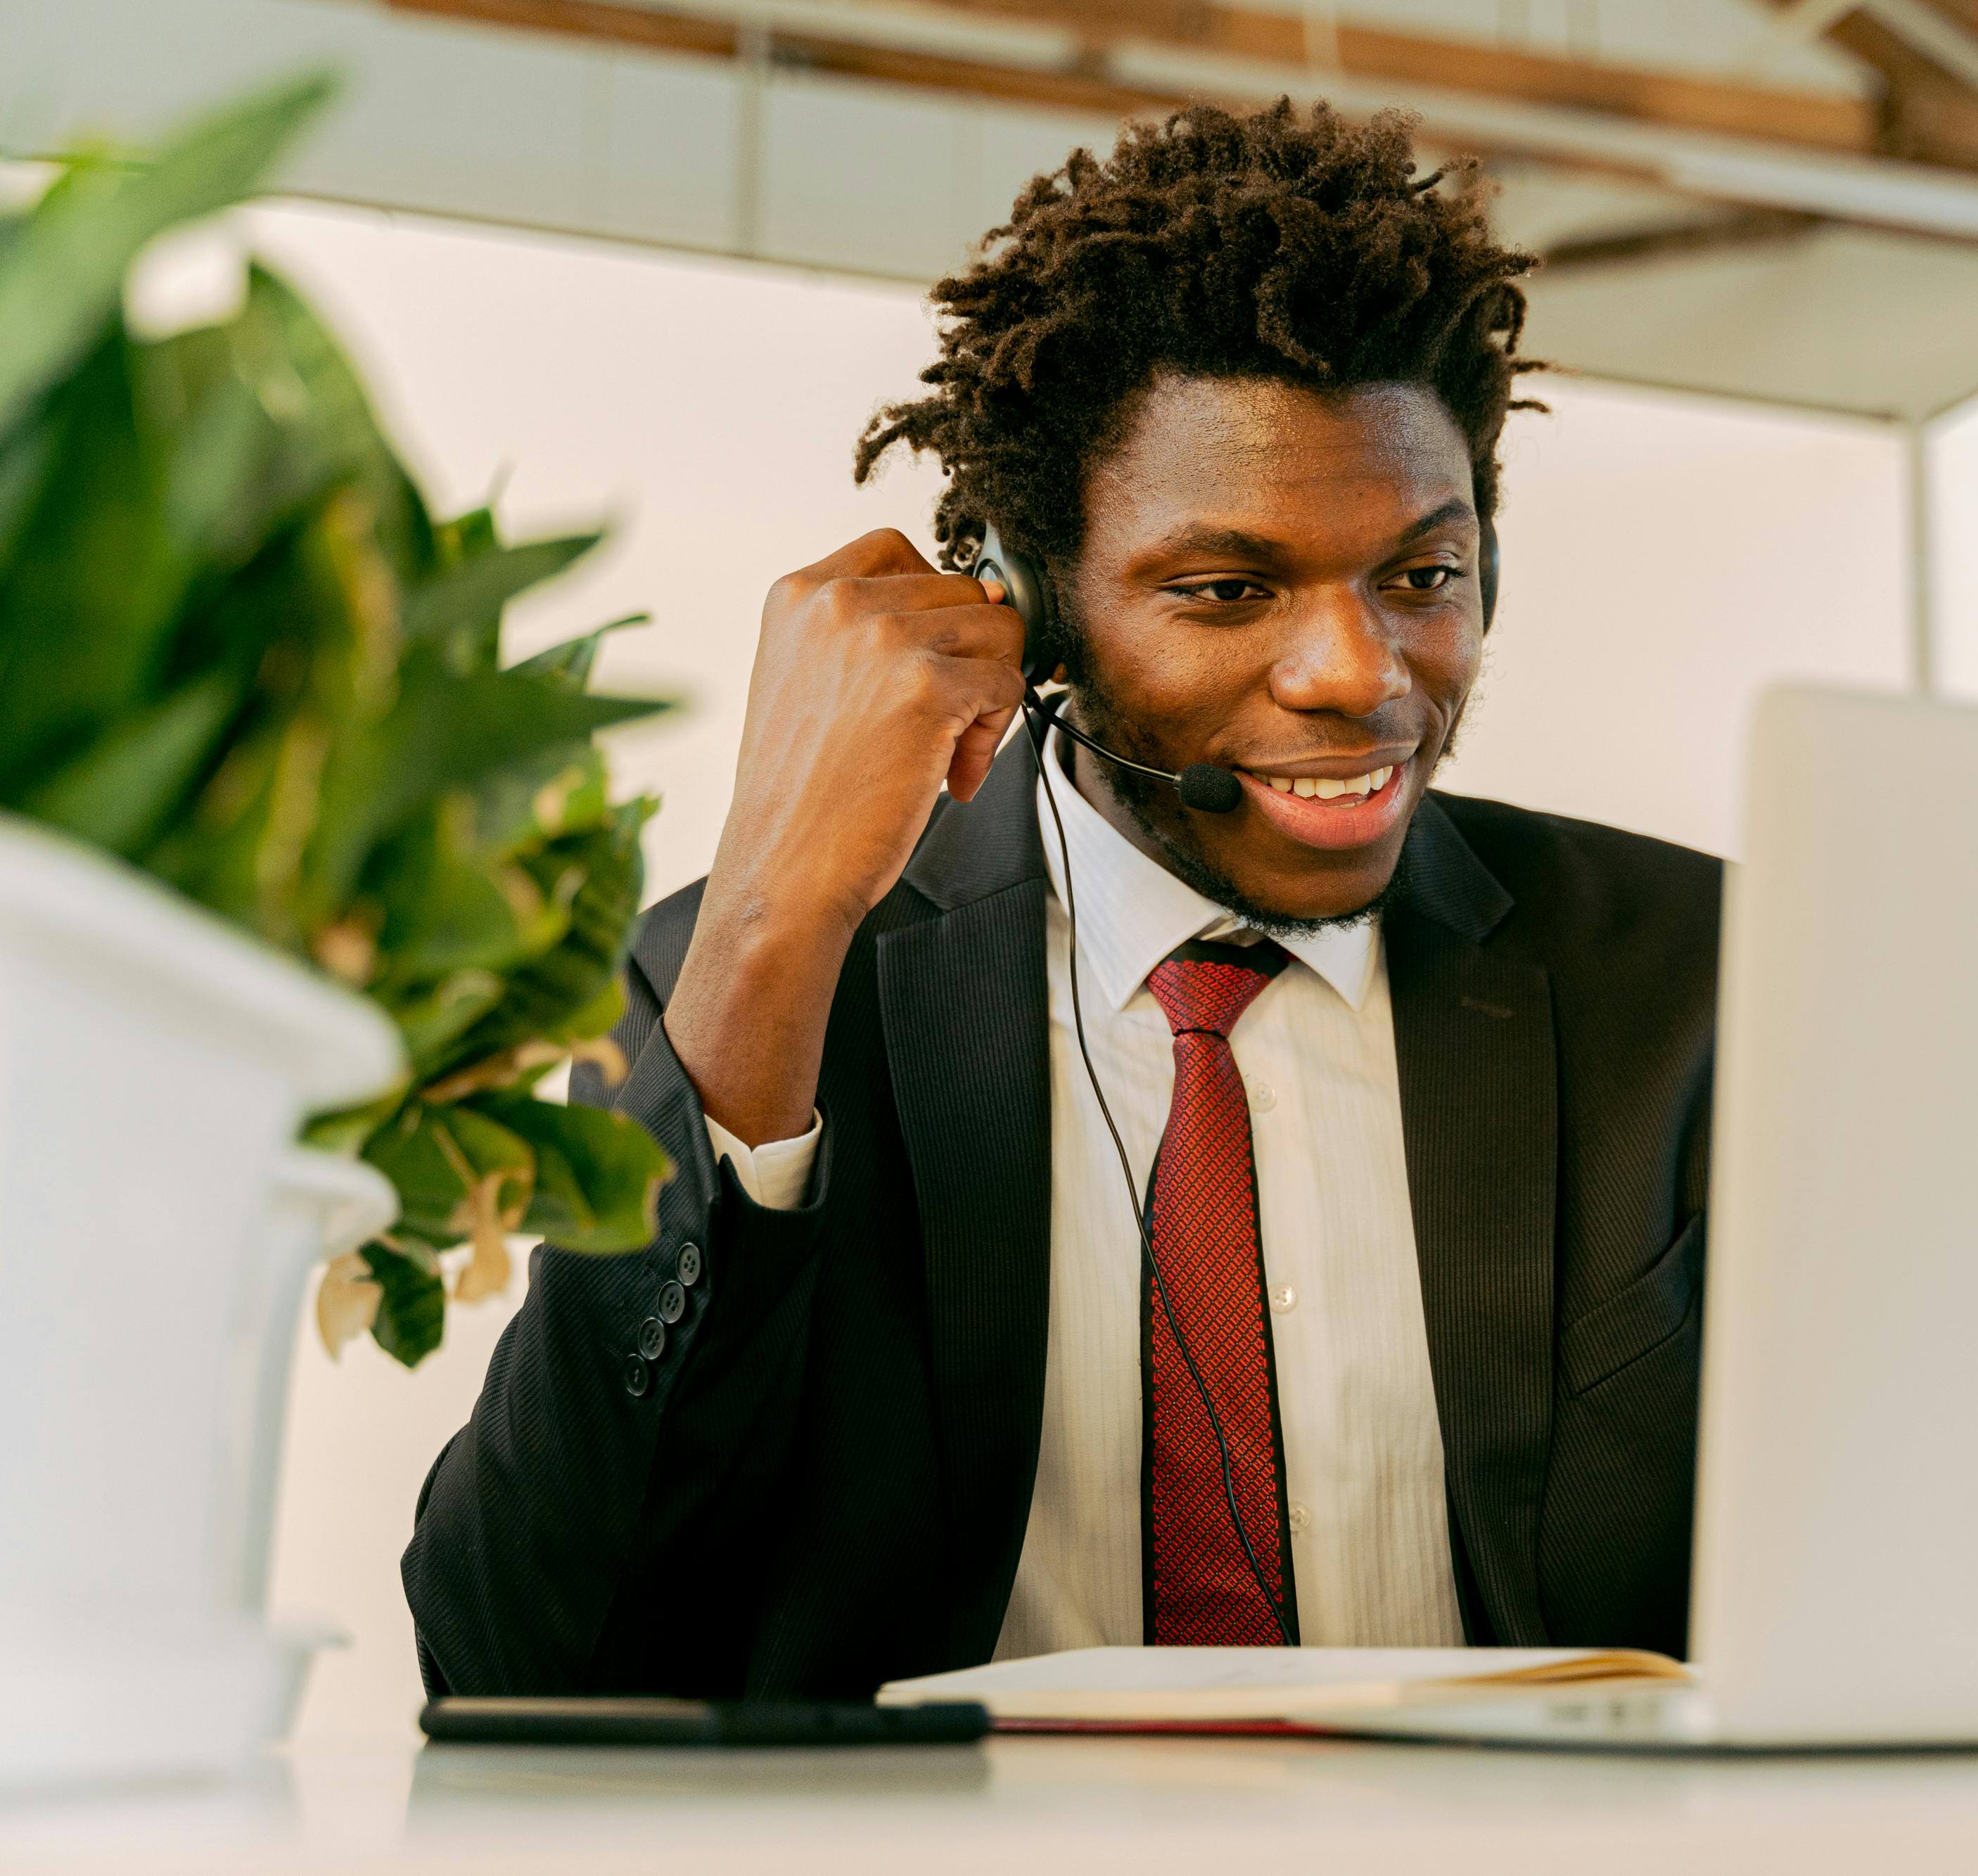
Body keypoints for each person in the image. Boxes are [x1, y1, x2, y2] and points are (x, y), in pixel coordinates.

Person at [404, 99, 1718, 1697]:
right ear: (1023, 602)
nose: (1356, 674)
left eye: (1419, 576)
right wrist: (767, 924)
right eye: (1227, 590)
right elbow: (516, 1653)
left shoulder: (1698, 976)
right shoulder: (758, 974)